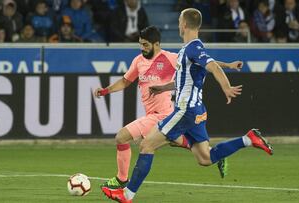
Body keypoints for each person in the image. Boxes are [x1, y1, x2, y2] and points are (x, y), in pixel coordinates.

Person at [101, 8, 273, 203]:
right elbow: (185, 80)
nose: (178, 23)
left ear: (184, 24)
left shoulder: (193, 48)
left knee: (147, 145)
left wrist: (226, 87)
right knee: (205, 158)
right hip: (197, 111)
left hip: (185, 111)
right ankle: (248, 139)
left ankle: (126, 194)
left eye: (179, 20)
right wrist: (162, 87)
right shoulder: (188, 50)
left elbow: (212, 67)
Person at [94, 25, 243, 190]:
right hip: (155, 114)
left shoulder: (170, 58)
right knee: (178, 142)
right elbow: (125, 81)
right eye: (140, 44)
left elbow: (203, 63)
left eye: (145, 45)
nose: (142, 48)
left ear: (156, 44)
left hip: (163, 114)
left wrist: (228, 66)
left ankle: (122, 180)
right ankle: (215, 155)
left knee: (121, 137)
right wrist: (106, 91)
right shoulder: (138, 61)